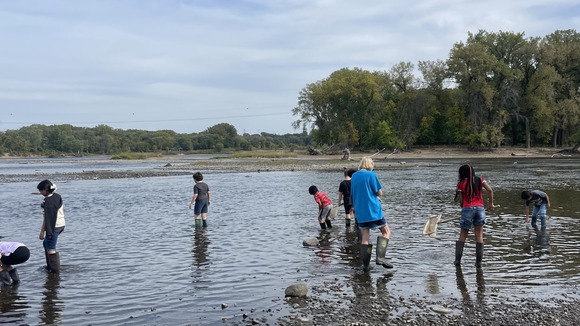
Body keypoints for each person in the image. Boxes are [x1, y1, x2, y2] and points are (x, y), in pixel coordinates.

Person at [350, 157, 393, 271]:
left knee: (365, 238)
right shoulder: (371, 174)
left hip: (361, 211)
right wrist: (378, 195)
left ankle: (365, 265)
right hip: (373, 210)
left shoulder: (354, 176)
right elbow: (378, 191)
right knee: (386, 232)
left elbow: (353, 194)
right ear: (370, 164)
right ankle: (380, 257)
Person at [453, 164, 494, 268]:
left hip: (467, 209)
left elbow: (461, 201)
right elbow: (490, 190)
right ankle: (478, 263)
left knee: (463, 235)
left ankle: (457, 262)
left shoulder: (460, 184)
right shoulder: (480, 180)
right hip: (480, 209)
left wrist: (464, 207)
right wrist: (491, 204)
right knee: (479, 236)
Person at [38, 179, 65, 273]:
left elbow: (48, 219)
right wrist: (63, 227)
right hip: (60, 224)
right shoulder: (57, 196)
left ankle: (54, 272)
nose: (40, 192)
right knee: (46, 244)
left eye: (41, 190)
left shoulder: (48, 202)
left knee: (51, 248)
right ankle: (49, 266)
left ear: (46, 190)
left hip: (53, 226)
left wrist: (43, 232)